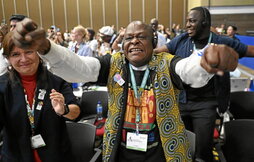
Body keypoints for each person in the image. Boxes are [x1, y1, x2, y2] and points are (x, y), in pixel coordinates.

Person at [12, 18, 239, 162]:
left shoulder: (166, 62)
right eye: (129, 37)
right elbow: (79, 68)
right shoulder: (114, 63)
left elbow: (188, 70)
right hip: (120, 149)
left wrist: (206, 63)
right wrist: (46, 48)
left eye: (141, 37)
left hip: (163, 151)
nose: (134, 42)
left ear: (153, 42)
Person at [154, 6, 254, 162]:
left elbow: (250, 50)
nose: (187, 24)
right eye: (187, 21)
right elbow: (158, 53)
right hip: (181, 102)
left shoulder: (222, 42)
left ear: (205, 22)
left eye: (192, 21)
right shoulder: (181, 40)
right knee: (183, 148)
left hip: (206, 104)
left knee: (202, 151)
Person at [0, 31, 80, 162]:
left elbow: (76, 112)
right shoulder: (2, 86)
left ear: (38, 53)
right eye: (16, 54)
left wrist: (63, 110)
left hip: (55, 155)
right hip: (16, 156)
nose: (24, 59)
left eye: (29, 52)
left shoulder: (56, 81)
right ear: (8, 58)